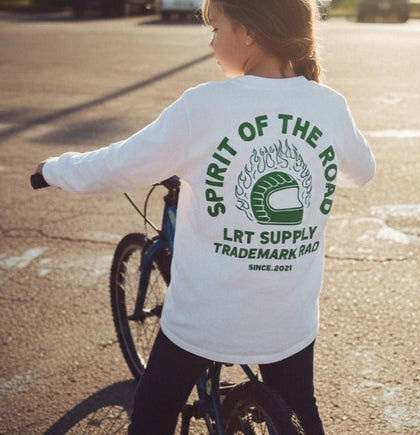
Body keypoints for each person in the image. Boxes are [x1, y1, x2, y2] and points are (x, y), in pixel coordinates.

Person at [35, 0, 376, 433]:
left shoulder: (204, 106)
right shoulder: (329, 104)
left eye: (216, 28)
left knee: (152, 412)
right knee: (301, 412)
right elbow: (362, 172)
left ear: (248, 32)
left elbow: (118, 165)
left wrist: (54, 170)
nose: (212, 42)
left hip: (205, 321)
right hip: (288, 320)